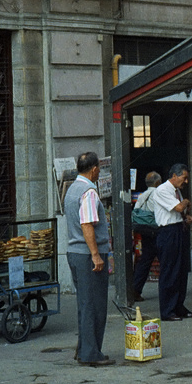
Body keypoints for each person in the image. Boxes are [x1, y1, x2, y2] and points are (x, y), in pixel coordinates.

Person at [64, 152, 114, 366]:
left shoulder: (71, 189)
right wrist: (96, 255)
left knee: (85, 303)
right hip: (87, 254)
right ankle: (91, 353)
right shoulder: (89, 192)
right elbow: (87, 224)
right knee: (94, 304)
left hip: (75, 252)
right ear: (94, 169)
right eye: (99, 169)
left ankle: (84, 348)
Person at [152, 163, 192, 321]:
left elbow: (180, 212)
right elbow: (178, 207)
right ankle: (167, 309)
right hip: (168, 232)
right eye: (184, 178)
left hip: (179, 228)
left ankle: (179, 305)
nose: (185, 182)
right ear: (174, 176)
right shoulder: (162, 190)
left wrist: (186, 217)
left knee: (181, 270)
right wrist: (185, 202)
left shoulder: (176, 190)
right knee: (170, 271)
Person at [131, 171, 163, 302]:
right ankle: (166, 290)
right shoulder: (158, 193)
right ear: (158, 182)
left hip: (144, 231)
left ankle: (135, 289)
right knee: (164, 260)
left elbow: (137, 210)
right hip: (156, 229)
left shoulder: (142, 195)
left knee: (145, 261)